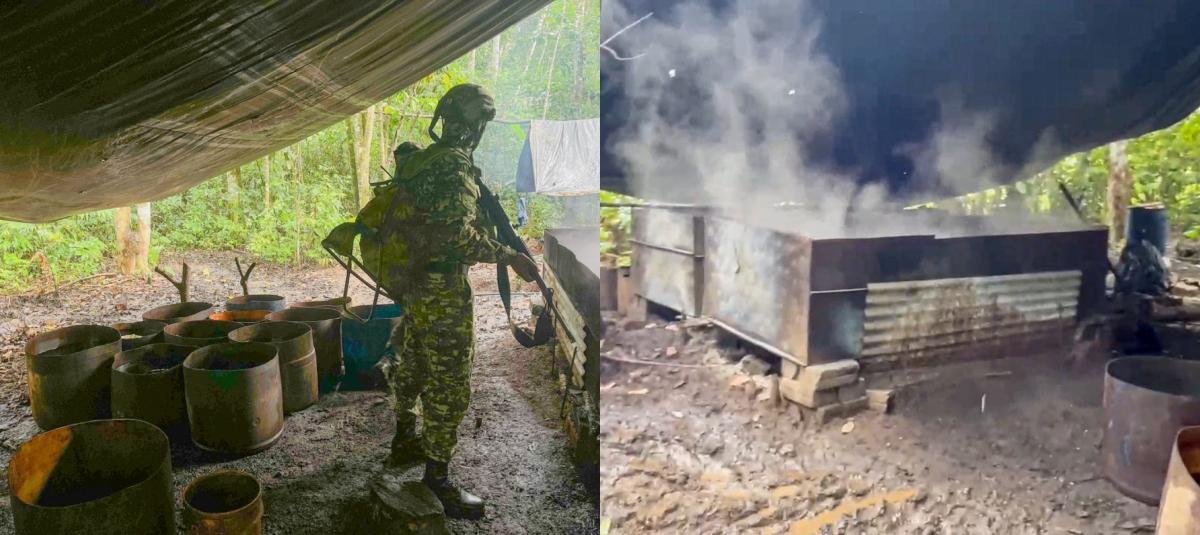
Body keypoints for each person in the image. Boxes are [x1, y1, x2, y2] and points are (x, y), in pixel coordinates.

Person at [357, 83, 538, 519]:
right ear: (474, 125)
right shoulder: (453, 168)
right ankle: (436, 481)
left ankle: (405, 436)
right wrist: (508, 256)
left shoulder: (421, 160)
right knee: (451, 383)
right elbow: (454, 235)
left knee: (416, 359)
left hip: (414, 285)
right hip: (441, 289)